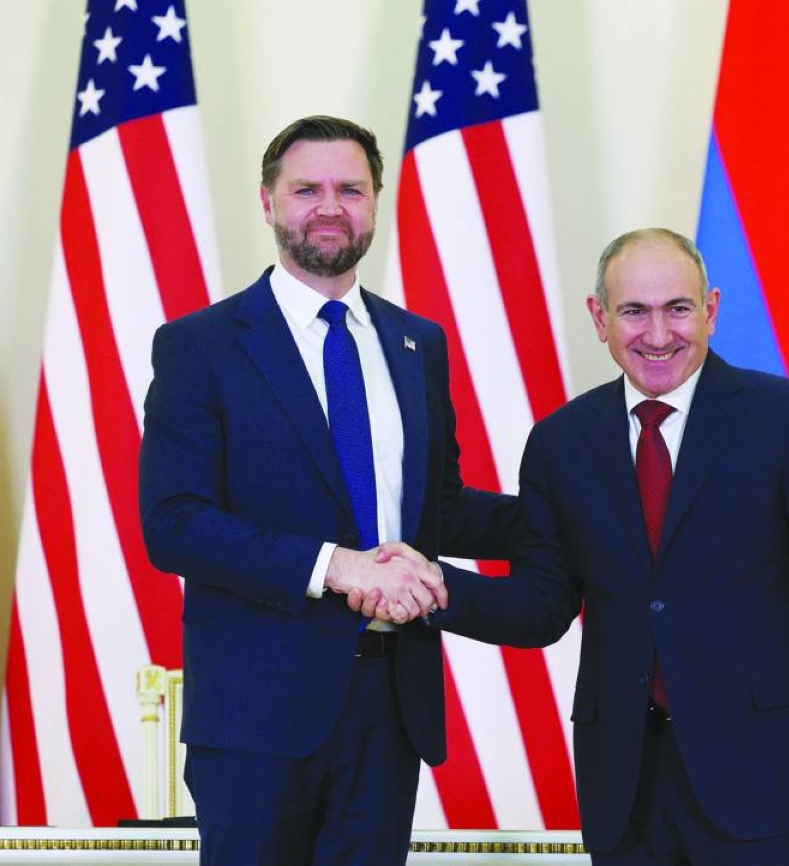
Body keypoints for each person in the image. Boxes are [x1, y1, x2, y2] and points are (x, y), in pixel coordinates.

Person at [361, 228, 789, 864]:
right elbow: (542, 605)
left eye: (677, 309)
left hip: (764, 783)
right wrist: (435, 588)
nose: (657, 335)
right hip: (625, 788)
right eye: (634, 311)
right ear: (599, 318)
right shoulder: (561, 443)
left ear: (710, 310)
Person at [139, 115, 515, 866]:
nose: (329, 206)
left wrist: (589, 507)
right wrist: (335, 565)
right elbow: (175, 524)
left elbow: (438, 513)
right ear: (268, 201)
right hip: (255, 718)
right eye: (306, 188)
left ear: (377, 201)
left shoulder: (418, 343)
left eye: (350, 188)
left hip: (389, 706)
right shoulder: (201, 345)